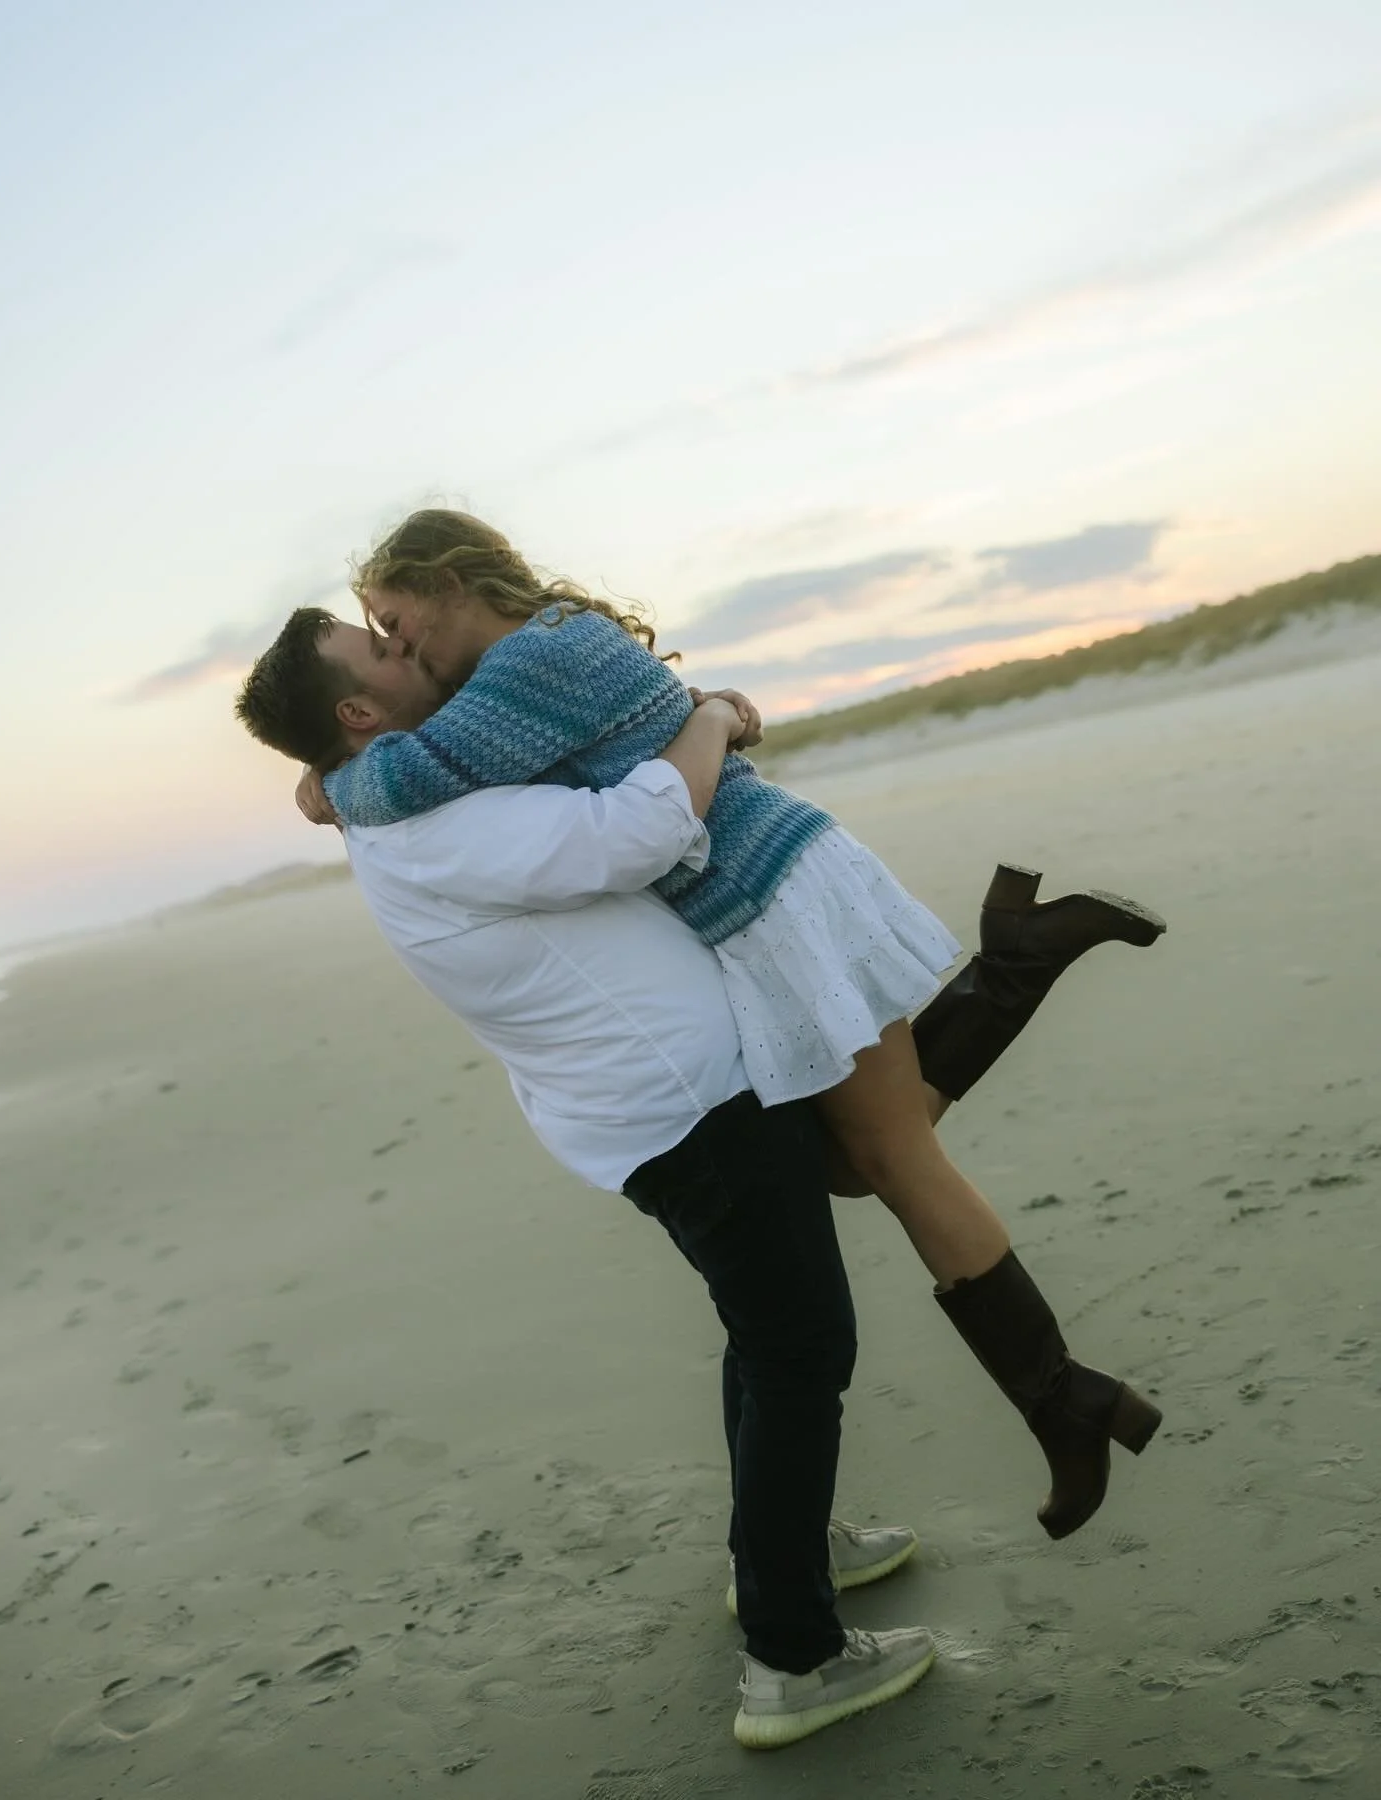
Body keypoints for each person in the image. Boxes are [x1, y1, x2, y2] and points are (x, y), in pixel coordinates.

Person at [293, 510, 1164, 1538]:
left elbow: (406, 772)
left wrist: (329, 779)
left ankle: (1065, 1403)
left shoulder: (535, 664)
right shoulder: (534, 657)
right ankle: (1017, 960)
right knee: (858, 1161)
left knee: (896, 1163)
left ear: (451, 584)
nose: (399, 648)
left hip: (773, 894)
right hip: (762, 900)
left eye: (395, 621)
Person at [238, 615, 938, 1748]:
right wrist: (710, 713)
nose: (403, 649)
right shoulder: (435, 818)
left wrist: (323, 782)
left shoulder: (395, 795)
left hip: (653, 1097)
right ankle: (791, 1661)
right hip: (682, 1102)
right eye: (377, 650)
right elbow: (639, 830)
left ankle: (780, 1556)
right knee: (805, 1345)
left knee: (765, 1335)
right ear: (358, 715)